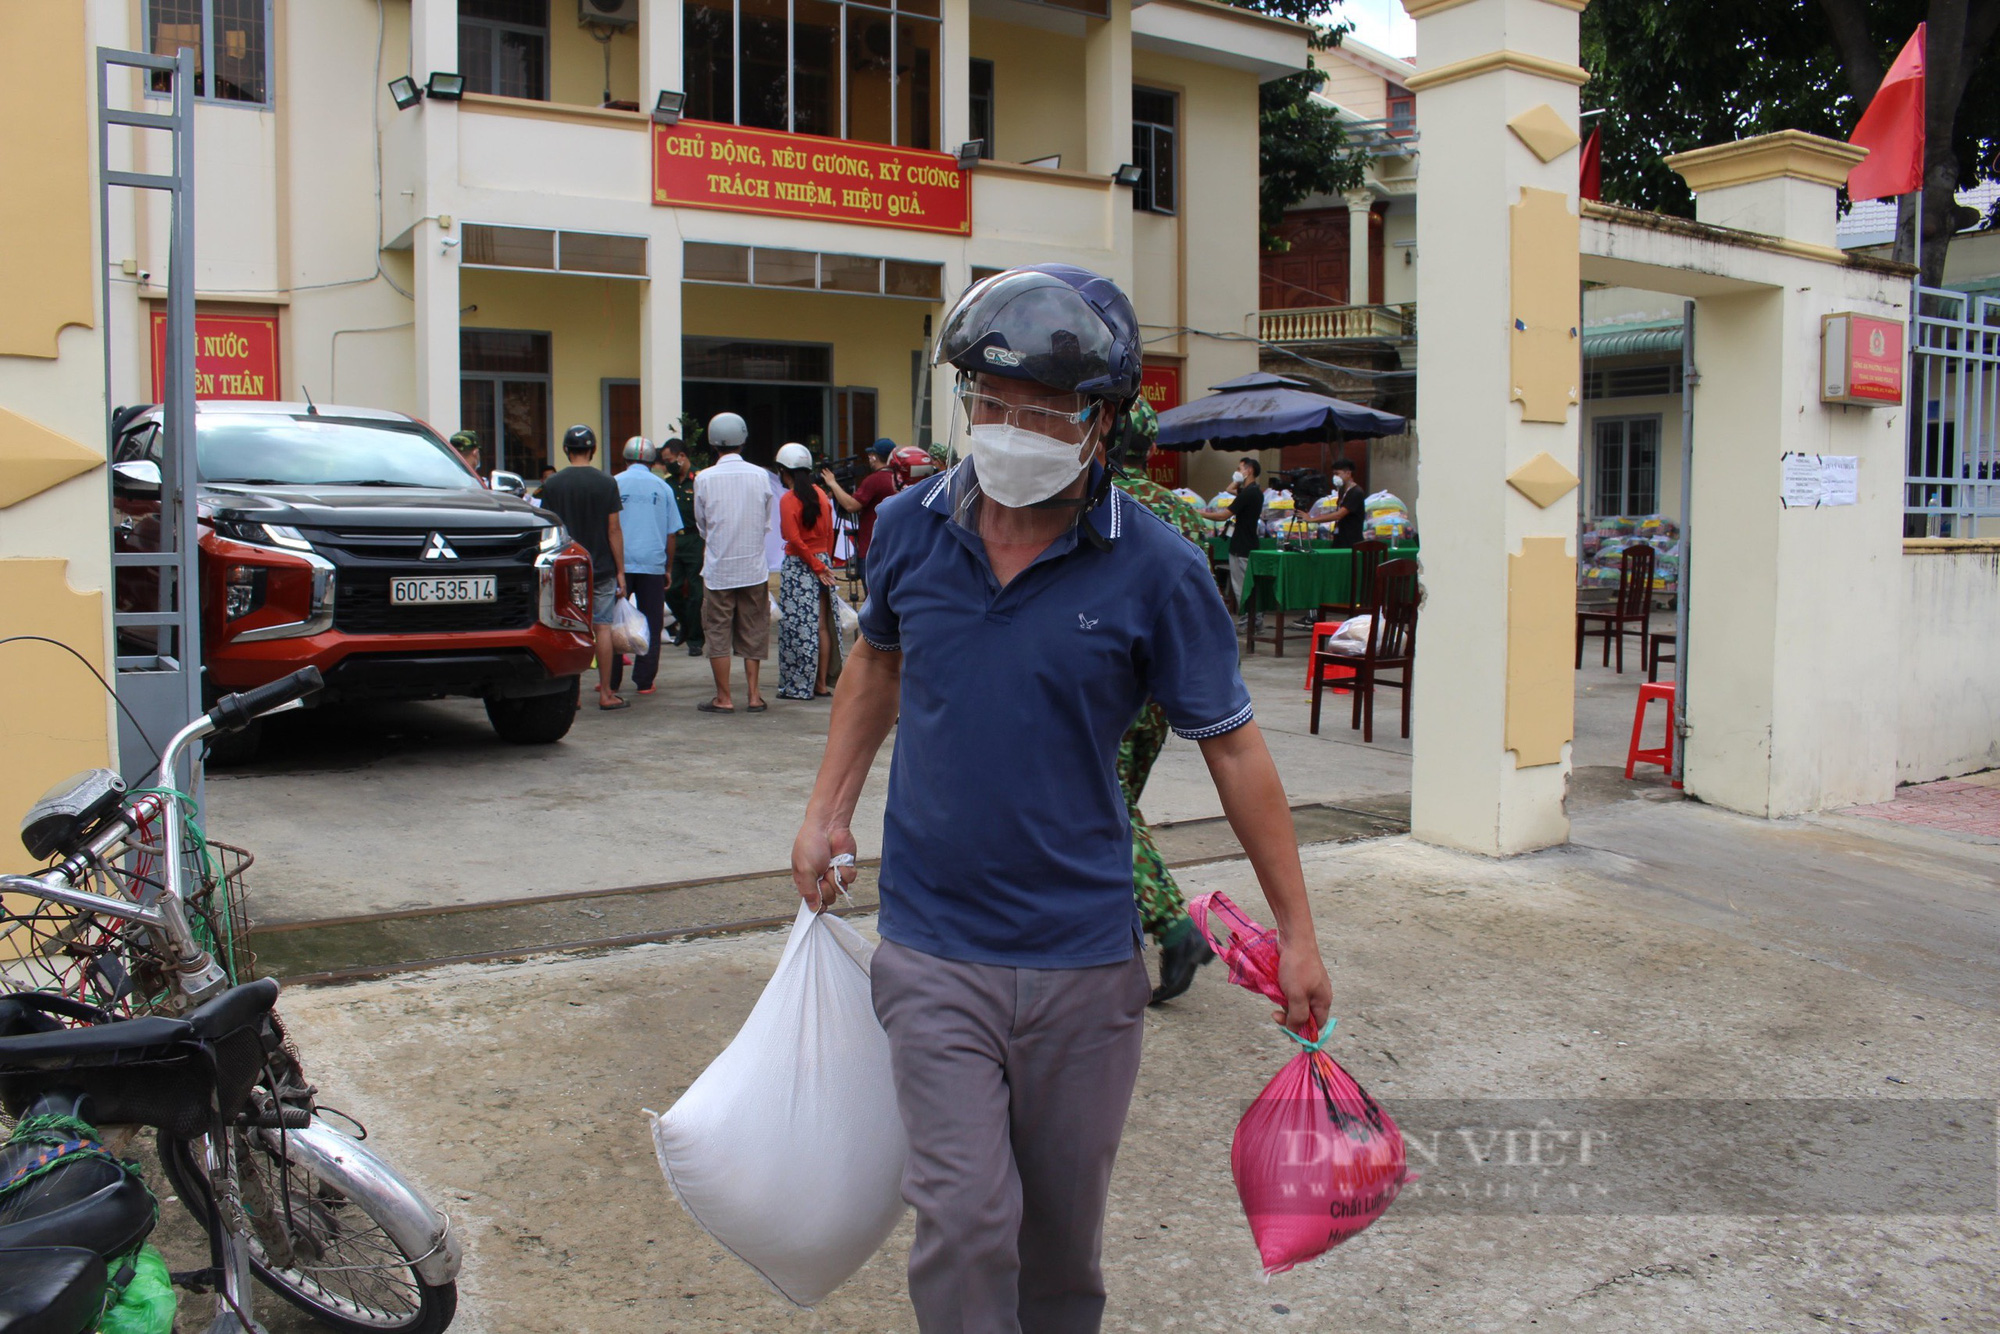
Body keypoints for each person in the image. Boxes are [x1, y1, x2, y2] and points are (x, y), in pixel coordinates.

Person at [791, 264, 1331, 1333]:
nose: (1008, 431)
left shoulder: (1158, 569)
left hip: (1083, 964)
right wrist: (827, 806)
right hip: (934, 945)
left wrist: (1298, 931)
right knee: (963, 1214)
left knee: (1058, 1247)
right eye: (988, 405)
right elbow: (878, 666)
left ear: (1102, 422)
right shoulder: (906, 531)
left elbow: (1233, 751)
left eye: (1042, 412)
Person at [1108, 401, 1219, 1004]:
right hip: (1166, 684)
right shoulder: (1184, 511)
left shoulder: (1099, 502)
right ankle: (1131, 917)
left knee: (1101, 804)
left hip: (1110, 679)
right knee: (1118, 802)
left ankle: (1173, 924)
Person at [535, 425, 629, 710]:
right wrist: (621, 571)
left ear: (566, 449)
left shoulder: (552, 485)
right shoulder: (606, 482)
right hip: (600, 567)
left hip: (566, 570)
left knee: (570, 630)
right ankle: (606, 693)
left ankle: (571, 696)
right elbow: (614, 529)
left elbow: (547, 528)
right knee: (602, 628)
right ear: (594, 449)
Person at [692, 411, 773, 714]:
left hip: (719, 569)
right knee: (754, 628)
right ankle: (754, 695)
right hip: (753, 566)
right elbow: (766, 521)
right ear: (743, 439)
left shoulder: (704, 478)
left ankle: (724, 697)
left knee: (717, 632)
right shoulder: (760, 475)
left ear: (713, 443)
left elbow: (702, 525)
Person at [611, 436, 680, 696]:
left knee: (613, 620)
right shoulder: (663, 487)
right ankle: (644, 680)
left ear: (625, 459)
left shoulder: (614, 483)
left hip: (620, 565)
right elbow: (671, 533)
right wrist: (668, 567)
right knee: (652, 621)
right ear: (653, 462)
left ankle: (611, 679)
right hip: (653, 564)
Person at [774, 442, 842, 701]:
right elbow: (829, 534)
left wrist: (814, 565)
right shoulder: (821, 495)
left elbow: (792, 538)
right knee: (822, 626)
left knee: (798, 627)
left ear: (784, 471)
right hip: (822, 562)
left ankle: (798, 685)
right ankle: (821, 684)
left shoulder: (788, 499)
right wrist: (824, 564)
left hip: (800, 566)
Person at [818, 438, 898, 593]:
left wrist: (833, 483)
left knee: (873, 597)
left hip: (871, 549)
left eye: (871, 455)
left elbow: (851, 505)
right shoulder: (898, 478)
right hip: (892, 547)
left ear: (874, 456)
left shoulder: (874, 480)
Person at [1201, 457, 1264, 633]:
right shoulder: (1253, 492)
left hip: (1242, 546)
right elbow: (1229, 490)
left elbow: (1223, 516)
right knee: (1246, 585)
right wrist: (1237, 479)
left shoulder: (1249, 494)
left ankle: (1248, 621)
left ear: (1249, 470)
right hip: (1248, 543)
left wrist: (1198, 512)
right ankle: (1255, 620)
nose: (1237, 471)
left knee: (1242, 586)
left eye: (1240, 468)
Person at [658, 437, 705, 656]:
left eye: (669, 460)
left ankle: (695, 639)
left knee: (696, 592)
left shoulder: (700, 479)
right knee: (671, 589)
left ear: (682, 456)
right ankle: (685, 624)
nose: (667, 464)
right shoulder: (668, 484)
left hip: (695, 539)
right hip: (674, 541)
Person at [1325, 458, 1365, 548]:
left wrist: (1312, 519)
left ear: (1348, 473)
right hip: (1339, 537)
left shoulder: (1356, 492)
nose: (1335, 477)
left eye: (1337, 474)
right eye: (1333, 474)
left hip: (1351, 541)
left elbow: (1339, 515)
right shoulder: (1342, 491)